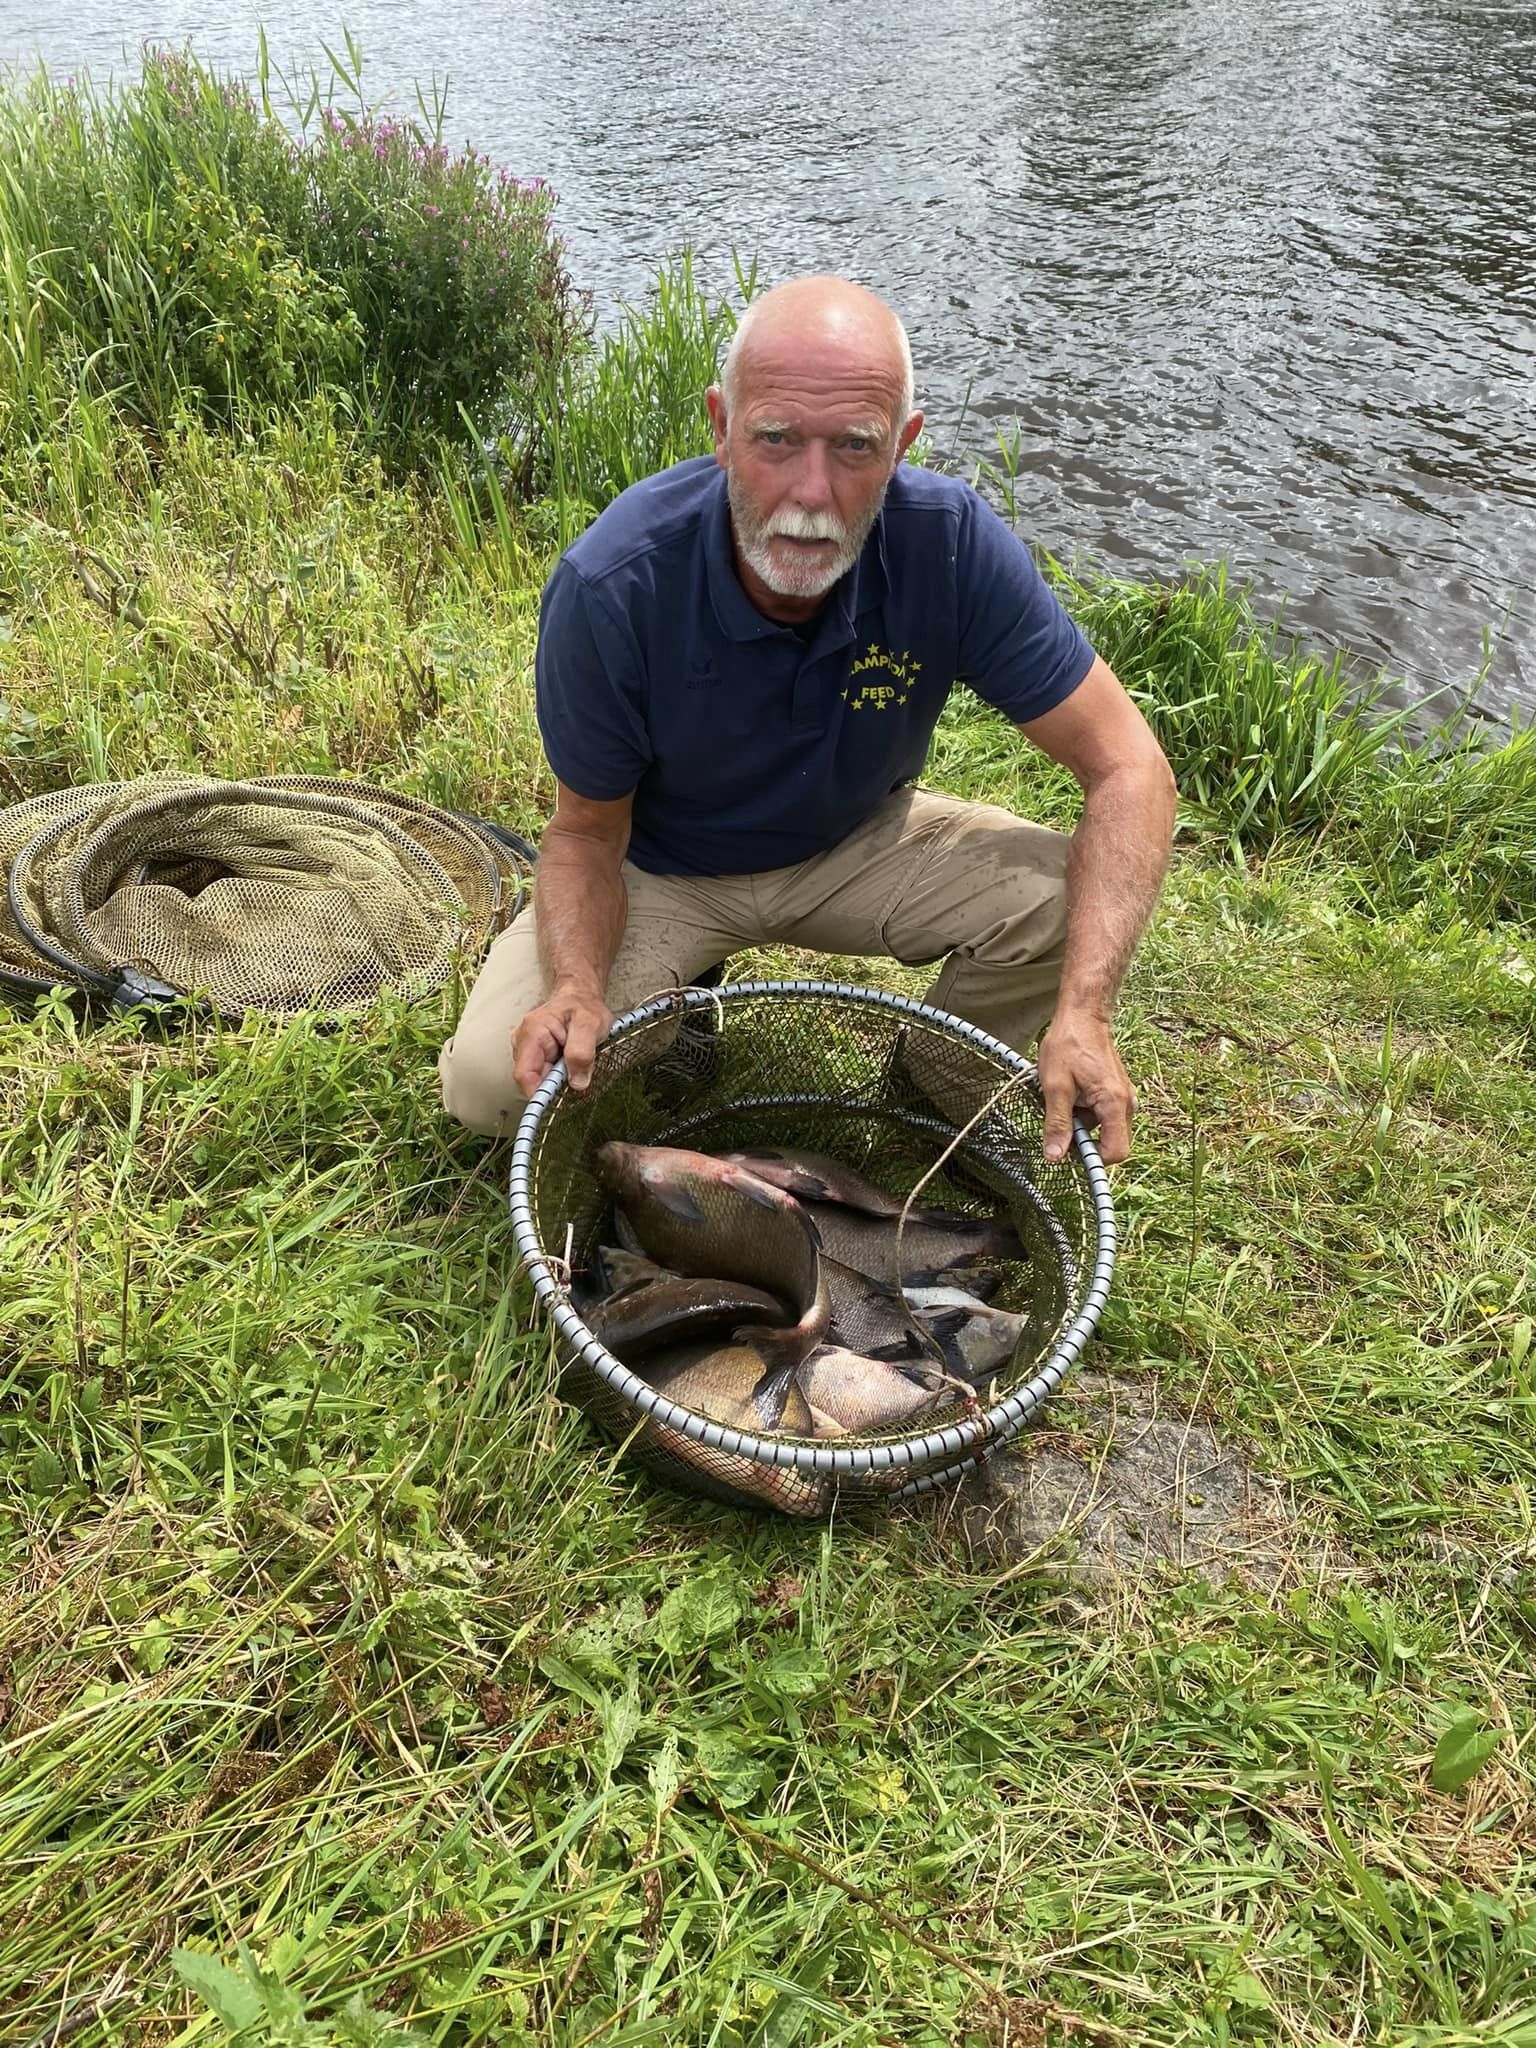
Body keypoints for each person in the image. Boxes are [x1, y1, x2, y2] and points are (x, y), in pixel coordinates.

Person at [438, 275, 1176, 1162]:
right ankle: (678, 1001)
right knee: (489, 1084)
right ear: (720, 427)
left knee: (1062, 900)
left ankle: (937, 1087)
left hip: (856, 839)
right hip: (661, 867)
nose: (811, 493)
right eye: (775, 439)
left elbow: (1130, 767)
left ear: (903, 445)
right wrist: (580, 988)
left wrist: (1085, 1012)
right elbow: (585, 837)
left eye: (856, 446)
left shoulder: (948, 542)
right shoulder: (613, 585)